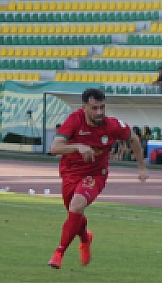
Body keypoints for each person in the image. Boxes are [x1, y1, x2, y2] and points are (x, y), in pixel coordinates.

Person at [46, 87, 146, 269]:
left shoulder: (113, 125)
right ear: (84, 107)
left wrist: (141, 168)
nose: (99, 112)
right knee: (74, 212)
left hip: (95, 174)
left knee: (76, 206)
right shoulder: (74, 120)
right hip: (70, 172)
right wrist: (78, 147)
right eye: (95, 108)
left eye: (102, 107)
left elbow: (134, 139)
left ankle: (58, 253)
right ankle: (85, 238)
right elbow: (54, 148)